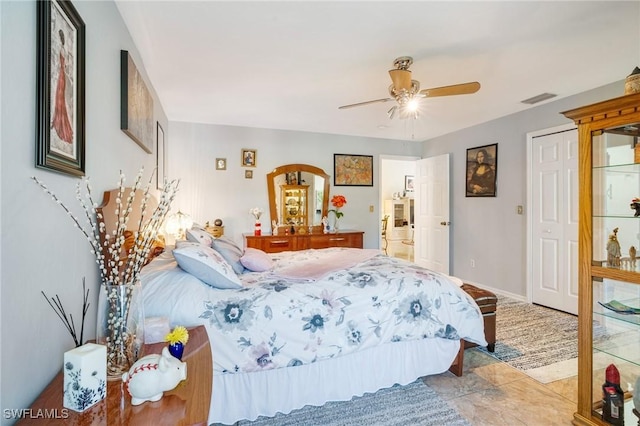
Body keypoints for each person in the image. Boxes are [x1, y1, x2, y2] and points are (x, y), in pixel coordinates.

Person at [51, 29, 73, 144]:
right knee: (60, 99)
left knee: (59, 98)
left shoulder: (61, 49)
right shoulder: (63, 49)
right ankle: (57, 121)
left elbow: (60, 63)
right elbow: (66, 65)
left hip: (61, 75)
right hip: (62, 74)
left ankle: (59, 123)